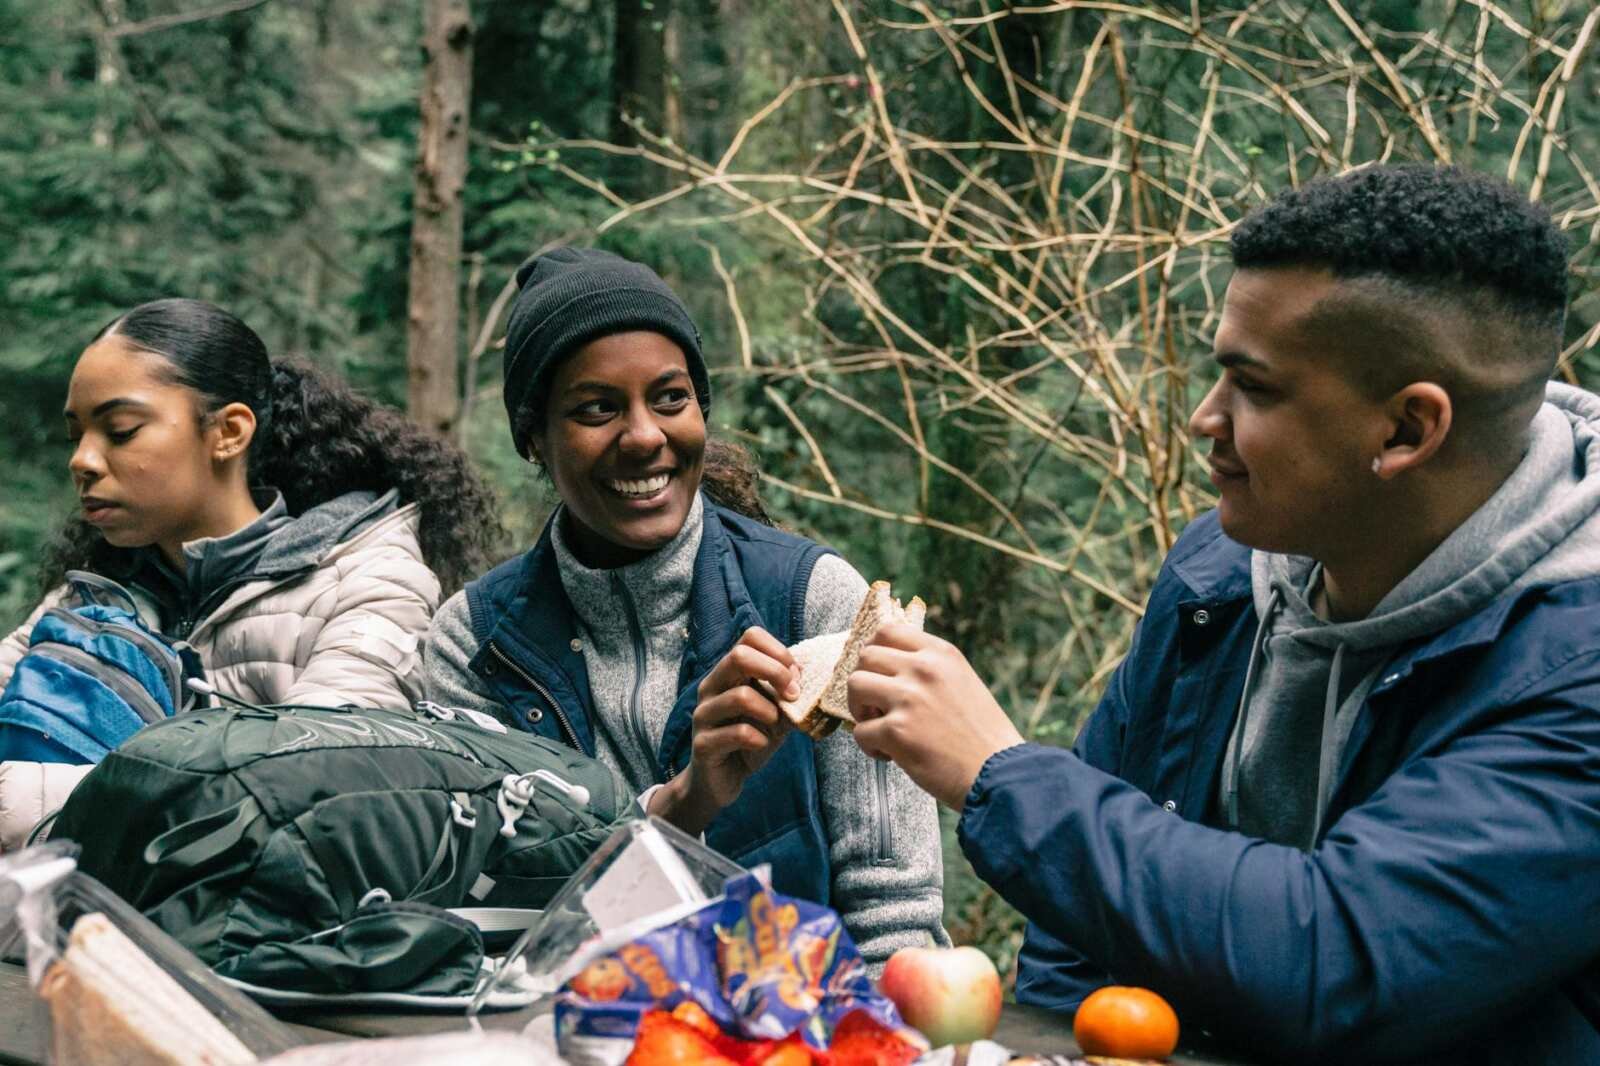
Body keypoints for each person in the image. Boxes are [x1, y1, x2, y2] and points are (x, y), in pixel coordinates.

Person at [845, 165, 1600, 1063]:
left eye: (1254, 387)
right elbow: (1087, 924)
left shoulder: (1576, 673)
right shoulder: (1217, 574)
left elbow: (1338, 956)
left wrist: (1002, 775)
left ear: (1405, 431)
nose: (1205, 419)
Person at [423, 248, 948, 967]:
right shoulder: (474, 643)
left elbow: (893, 921)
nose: (644, 436)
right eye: (596, 409)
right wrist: (680, 808)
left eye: (670, 398)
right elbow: (484, 929)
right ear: (533, 439)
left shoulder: (815, 601)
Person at [0, 297, 501, 849]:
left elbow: (308, 798)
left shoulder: (365, 584)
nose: (83, 460)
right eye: (78, 436)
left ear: (229, 432)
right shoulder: (88, 597)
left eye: (119, 431)